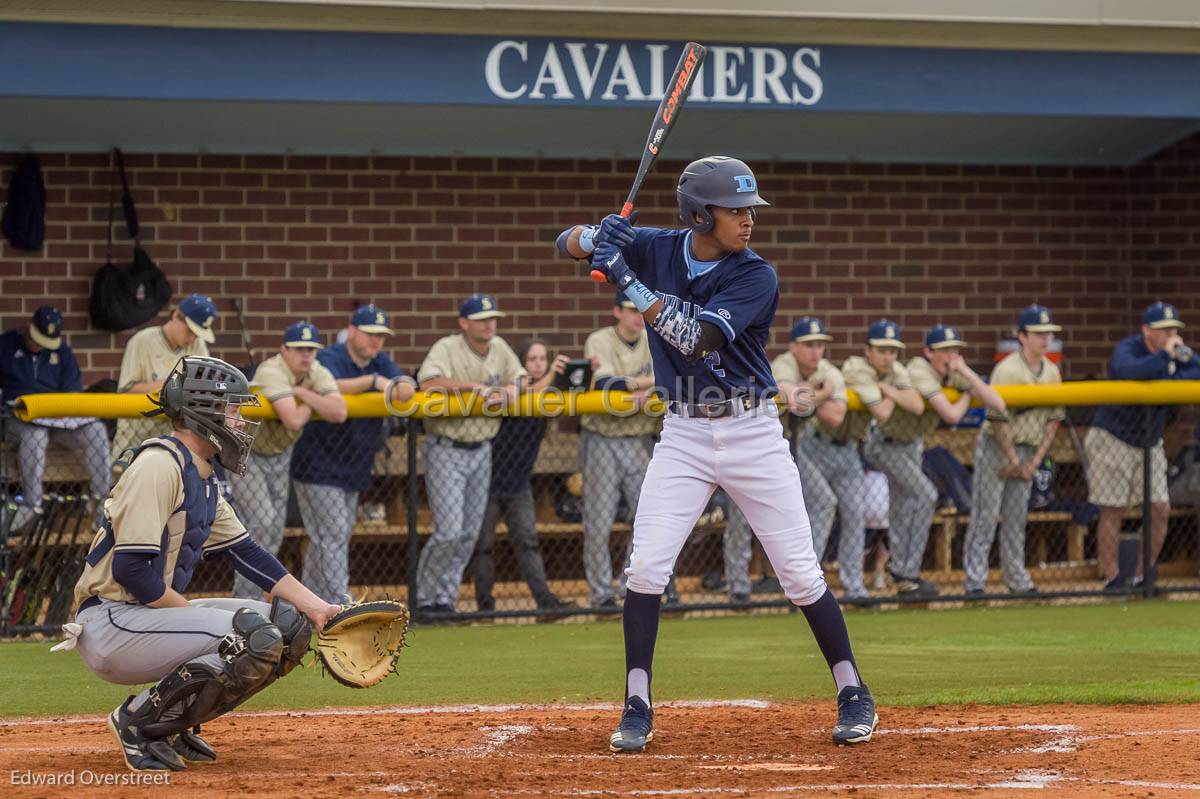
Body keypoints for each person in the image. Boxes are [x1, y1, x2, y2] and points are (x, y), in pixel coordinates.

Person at [556, 155, 878, 752]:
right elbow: (564, 242)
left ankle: (853, 689)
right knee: (646, 567)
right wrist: (595, 237)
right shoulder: (657, 246)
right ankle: (636, 702)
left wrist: (624, 278)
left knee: (799, 573)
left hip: (752, 431)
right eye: (736, 211)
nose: (749, 221)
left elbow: (694, 335)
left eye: (750, 211)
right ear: (701, 213)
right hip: (683, 434)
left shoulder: (755, 275)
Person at [60, 355, 341, 772]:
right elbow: (131, 571)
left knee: (291, 626)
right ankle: (138, 722)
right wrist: (198, 617)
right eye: (232, 410)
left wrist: (320, 609)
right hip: (112, 620)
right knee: (254, 637)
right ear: (202, 411)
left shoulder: (201, 473)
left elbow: (250, 555)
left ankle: (173, 722)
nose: (240, 421)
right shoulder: (159, 465)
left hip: (143, 616)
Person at [870, 324, 1006, 598]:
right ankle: (906, 572)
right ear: (928, 352)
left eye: (954, 350)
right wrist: (968, 394)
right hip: (885, 442)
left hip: (910, 445)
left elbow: (998, 403)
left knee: (902, 506)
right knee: (925, 494)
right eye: (944, 350)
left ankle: (904, 575)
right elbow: (952, 416)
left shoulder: (952, 373)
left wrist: (966, 372)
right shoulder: (920, 369)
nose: (950, 356)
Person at [290, 305, 415, 602]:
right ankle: (338, 603)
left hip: (354, 466)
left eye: (381, 336)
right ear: (353, 331)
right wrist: (372, 382)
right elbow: (326, 386)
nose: (376, 341)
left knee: (331, 538)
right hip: (317, 463)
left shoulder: (381, 360)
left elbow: (407, 389)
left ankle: (306, 605)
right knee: (332, 536)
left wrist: (394, 383)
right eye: (370, 334)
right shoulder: (331, 357)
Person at [415, 295, 526, 617]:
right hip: (447, 447)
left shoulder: (500, 347)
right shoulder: (447, 347)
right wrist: (471, 387)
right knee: (448, 531)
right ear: (464, 323)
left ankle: (445, 600)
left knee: (467, 534)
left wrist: (512, 390)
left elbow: (520, 377)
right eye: (481, 318)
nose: (489, 323)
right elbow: (429, 381)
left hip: (482, 449)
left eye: (492, 317)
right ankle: (425, 599)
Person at [725, 316, 847, 602]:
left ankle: (802, 575)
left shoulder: (827, 369)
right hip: (745, 440)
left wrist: (812, 394)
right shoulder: (783, 364)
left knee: (823, 500)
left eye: (820, 345)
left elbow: (836, 416)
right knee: (741, 516)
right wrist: (825, 392)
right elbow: (796, 401)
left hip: (784, 448)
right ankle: (738, 584)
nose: (816, 351)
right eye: (809, 345)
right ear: (793, 347)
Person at [228, 322, 347, 599]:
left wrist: (304, 394)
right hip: (247, 452)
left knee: (274, 533)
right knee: (261, 523)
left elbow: (339, 412)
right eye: (298, 349)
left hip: (280, 453)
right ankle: (242, 601)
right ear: (284, 350)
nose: (305, 355)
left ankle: (253, 600)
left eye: (310, 349)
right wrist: (317, 400)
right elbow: (293, 420)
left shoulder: (316, 371)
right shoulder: (271, 370)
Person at [1088, 301, 1200, 590]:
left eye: (1173, 329)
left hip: (1149, 442)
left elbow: (1196, 370)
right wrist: (1165, 359)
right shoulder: (1130, 348)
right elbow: (1128, 370)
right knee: (1113, 509)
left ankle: (1142, 575)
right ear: (1146, 330)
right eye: (1163, 330)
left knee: (1160, 508)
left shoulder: (1175, 352)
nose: (1170, 334)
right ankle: (1113, 578)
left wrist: (1170, 365)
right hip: (1113, 438)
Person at [963, 305, 1065, 596]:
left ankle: (1017, 580)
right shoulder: (1006, 369)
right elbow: (997, 421)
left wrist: (1032, 462)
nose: (1044, 339)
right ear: (1022, 336)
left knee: (1016, 518)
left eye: (1048, 334)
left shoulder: (1052, 372)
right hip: (997, 447)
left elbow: (1053, 421)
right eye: (1037, 333)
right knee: (986, 514)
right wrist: (1012, 460)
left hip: (1029, 450)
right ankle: (974, 582)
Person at [469, 337, 574, 612]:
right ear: (521, 362)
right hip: (488, 479)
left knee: (528, 541)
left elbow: (566, 388)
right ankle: (485, 605)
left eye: (543, 359)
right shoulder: (515, 385)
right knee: (483, 545)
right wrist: (552, 374)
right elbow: (528, 390)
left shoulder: (548, 389)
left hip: (519, 481)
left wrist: (583, 370)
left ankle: (545, 601)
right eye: (532, 359)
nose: (538, 364)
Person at [581, 292, 660, 609]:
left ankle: (633, 588)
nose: (637, 315)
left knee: (647, 519)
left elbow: (674, 377)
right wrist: (651, 384)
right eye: (630, 309)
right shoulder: (599, 340)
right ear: (617, 311)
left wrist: (643, 387)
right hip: (603, 437)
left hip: (640, 438)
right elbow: (607, 384)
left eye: (640, 309)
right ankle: (600, 593)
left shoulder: (653, 338)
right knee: (598, 521)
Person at [0, 306, 111, 529]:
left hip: (57, 420)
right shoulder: (5, 345)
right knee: (36, 435)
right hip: (17, 418)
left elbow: (72, 393)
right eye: (38, 339)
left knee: (96, 430)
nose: (40, 345)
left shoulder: (62, 352)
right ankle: (33, 506)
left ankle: (103, 506)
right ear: (30, 327)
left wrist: (63, 409)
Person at [840, 321, 929, 596]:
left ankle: (897, 574)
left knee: (863, 514)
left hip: (852, 445)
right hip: (824, 442)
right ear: (868, 350)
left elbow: (915, 405)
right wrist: (894, 392)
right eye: (882, 350)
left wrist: (887, 389)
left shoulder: (894, 370)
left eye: (893, 350)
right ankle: (809, 590)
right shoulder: (856, 367)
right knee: (830, 512)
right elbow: (883, 414)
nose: (888, 356)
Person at [112, 294, 218, 459]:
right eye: (190, 330)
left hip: (178, 444)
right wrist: (170, 387)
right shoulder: (142, 341)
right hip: (136, 443)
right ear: (175, 315)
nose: (192, 338)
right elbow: (126, 391)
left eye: (197, 334)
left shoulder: (198, 346)